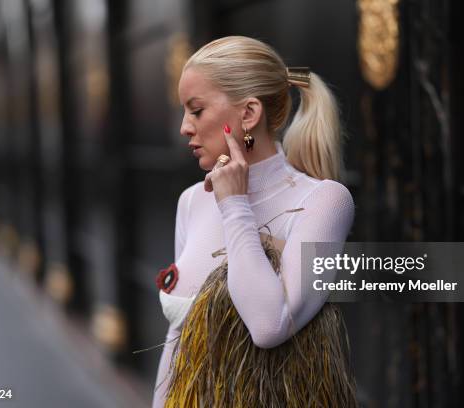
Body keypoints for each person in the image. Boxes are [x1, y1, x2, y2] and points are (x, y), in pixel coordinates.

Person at [152, 35, 357, 407]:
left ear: (248, 114)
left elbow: (269, 325)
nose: (185, 126)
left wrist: (235, 205)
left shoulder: (323, 201)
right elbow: (176, 343)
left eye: (196, 111)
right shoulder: (192, 202)